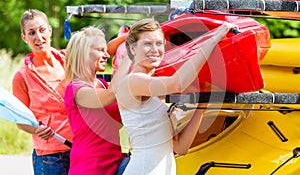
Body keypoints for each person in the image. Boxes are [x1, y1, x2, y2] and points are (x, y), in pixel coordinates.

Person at [113, 18, 238, 175]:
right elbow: (177, 83)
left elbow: (181, 147)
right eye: (147, 44)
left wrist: (202, 104)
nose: (155, 49)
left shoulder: (152, 96)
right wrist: (216, 36)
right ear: (132, 48)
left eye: (159, 43)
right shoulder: (132, 81)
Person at [12, 9, 73, 174]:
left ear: (50, 30)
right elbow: (21, 121)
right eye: (31, 33)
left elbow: (102, 51)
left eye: (42, 29)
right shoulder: (22, 77)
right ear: (24, 37)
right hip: (50, 158)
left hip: (79, 149)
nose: (38, 37)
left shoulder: (69, 61)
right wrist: (36, 130)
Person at [64, 26, 131, 175]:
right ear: (83, 53)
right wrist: (130, 56)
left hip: (115, 161)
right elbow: (110, 96)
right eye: (101, 50)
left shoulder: (102, 84)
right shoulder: (75, 89)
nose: (107, 55)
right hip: (90, 167)